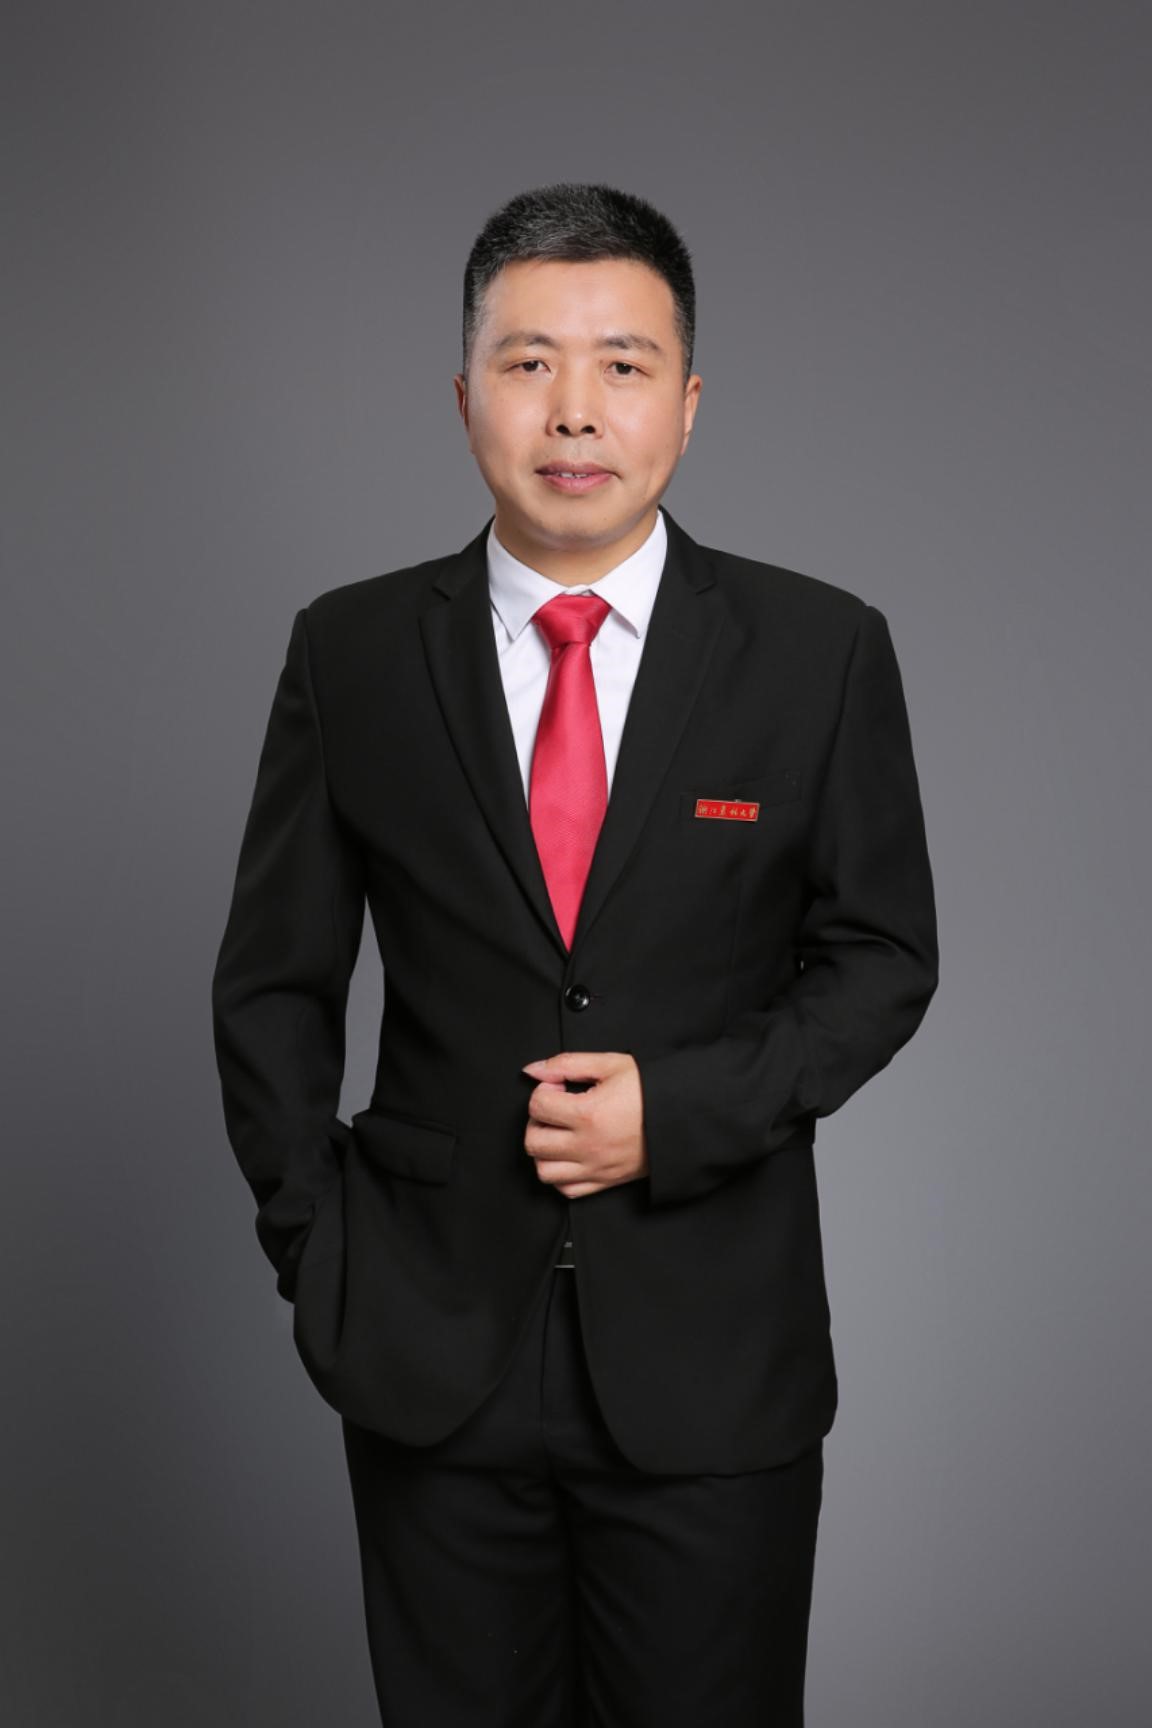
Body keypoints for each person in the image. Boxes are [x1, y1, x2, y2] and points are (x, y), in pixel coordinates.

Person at [211, 180, 939, 1728]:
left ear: (688, 403)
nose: (574, 410)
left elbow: (881, 957)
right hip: (426, 1348)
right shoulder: (351, 652)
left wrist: (677, 1113)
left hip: (713, 1354)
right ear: (465, 394)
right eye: (530, 361)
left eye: (622, 364)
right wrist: (318, 1257)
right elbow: (273, 987)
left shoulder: (818, 651)